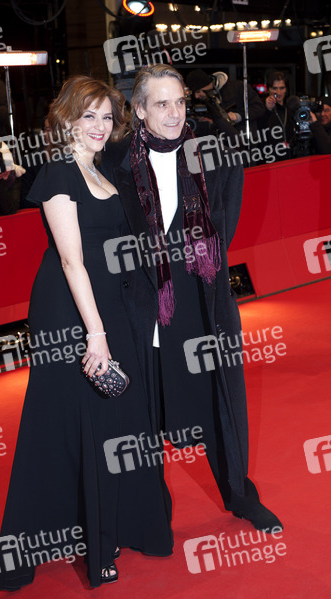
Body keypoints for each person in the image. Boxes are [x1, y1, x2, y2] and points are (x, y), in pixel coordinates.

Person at [0, 75, 173, 592]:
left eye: (106, 116)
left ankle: (115, 524)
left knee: (118, 417)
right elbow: (72, 261)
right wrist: (95, 334)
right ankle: (93, 538)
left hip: (111, 304)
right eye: (88, 115)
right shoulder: (58, 172)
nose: (99, 125)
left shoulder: (103, 169)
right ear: (66, 119)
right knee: (80, 420)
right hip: (70, 311)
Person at [103, 64, 282, 534]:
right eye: (161, 104)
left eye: (180, 101)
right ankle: (147, 514)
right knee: (144, 414)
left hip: (202, 298)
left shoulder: (212, 153)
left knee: (219, 403)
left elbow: (227, 219)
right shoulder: (115, 159)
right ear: (139, 110)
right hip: (142, 308)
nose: (174, 113)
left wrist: (201, 264)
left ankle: (239, 494)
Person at [257, 71, 294, 160]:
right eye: (274, 88)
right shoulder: (260, 107)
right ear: (268, 90)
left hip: (289, 156)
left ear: (286, 90)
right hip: (269, 157)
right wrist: (268, 110)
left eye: (282, 88)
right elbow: (259, 132)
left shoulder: (290, 108)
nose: (278, 92)